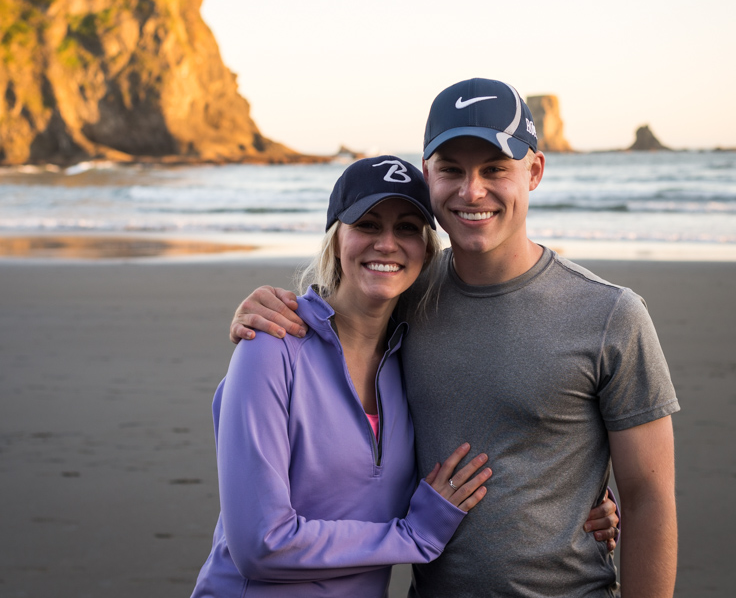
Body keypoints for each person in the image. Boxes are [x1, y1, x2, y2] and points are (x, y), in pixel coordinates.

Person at [230, 77, 675, 598]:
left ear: (534, 171)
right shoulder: (406, 295)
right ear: (428, 177)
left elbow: (649, 497)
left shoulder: (610, 314)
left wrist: (596, 502)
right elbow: (336, 319)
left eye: (494, 169)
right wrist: (255, 307)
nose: (471, 191)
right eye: (451, 170)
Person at [190, 156, 494, 597]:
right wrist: (410, 536)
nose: (387, 243)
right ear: (336, 240)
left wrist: (593, 500)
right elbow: (260, 543)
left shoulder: (410, 360)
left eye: (407, 228)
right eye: (368, 225)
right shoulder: (272, 347)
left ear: (427, 251)